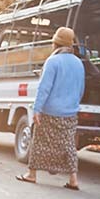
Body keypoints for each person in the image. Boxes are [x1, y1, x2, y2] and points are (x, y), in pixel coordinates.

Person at [16, 27, 85, 190]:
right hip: (70, 112)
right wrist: (73, 105)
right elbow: (81, 89)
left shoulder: (53, 61)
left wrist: (37, 109)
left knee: (39, 142)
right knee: (68, 144)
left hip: (50, 111)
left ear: (56, 44)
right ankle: (73, 179)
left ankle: (32, 174)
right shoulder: (79, 63)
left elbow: (44, 88)